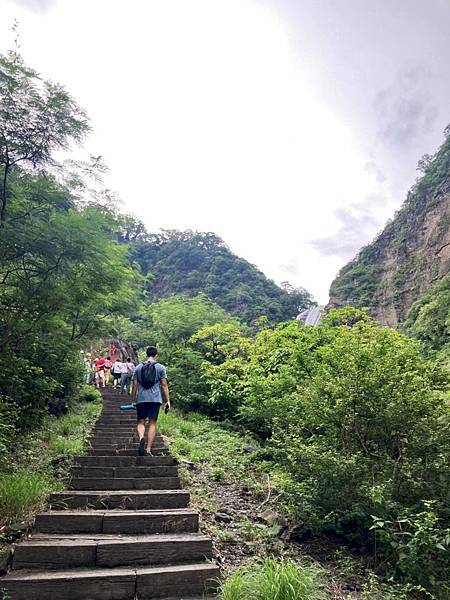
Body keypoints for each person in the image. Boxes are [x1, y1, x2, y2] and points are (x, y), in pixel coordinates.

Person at [131, 346, 170, 456]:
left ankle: (141, 438)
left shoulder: (138, 367)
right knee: (152, 423)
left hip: (141, 399)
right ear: (156, 355)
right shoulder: (160, 368)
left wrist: (133, 399)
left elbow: (134, 385)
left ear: (146, 354)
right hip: (155, 399)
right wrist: (168, 401)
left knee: (141, 422)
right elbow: (164, 385)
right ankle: (148, 449)